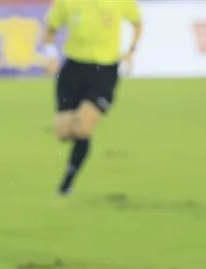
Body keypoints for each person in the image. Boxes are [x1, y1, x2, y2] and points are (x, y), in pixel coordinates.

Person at [40, 0, 142, 196]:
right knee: (64, 131)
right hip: (73, 70)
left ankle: (67, 183)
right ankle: (70, 174)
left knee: (83, 126)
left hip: (104, 71)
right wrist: (50, 56)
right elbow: (50, 28)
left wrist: (131, 51)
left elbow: (137, 24)